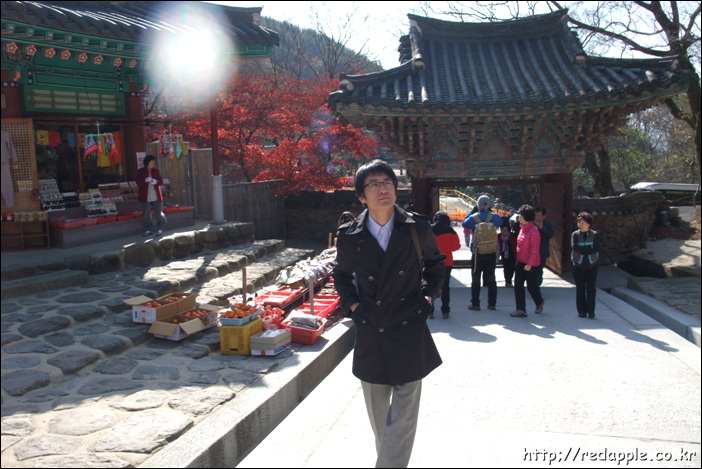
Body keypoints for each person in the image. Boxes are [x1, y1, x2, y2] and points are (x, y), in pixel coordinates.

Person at [333, 159, 445, 468]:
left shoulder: (416, 227)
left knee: (403, 420)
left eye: (387, 183)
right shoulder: (350, 235)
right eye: (374, 184)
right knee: (381, 422)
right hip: (371, 329)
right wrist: (355, 308)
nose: (382, 189)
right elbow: (341, 276)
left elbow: (436, 266)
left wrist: (427, 299)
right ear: (361, 196)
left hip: (409, 326)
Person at [462, 194, 502, 311]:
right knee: (491, 277)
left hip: (477, 252)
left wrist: (473, 211)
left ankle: (475, 304)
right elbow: (500, 222)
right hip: (491, 251)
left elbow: (464, 223)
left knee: (476, 277)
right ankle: (492, 304)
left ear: (478, 205)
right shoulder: (495, 217)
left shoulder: (474, 217)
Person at [510, 205, 544, 317]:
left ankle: (539, 302)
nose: (519, 217)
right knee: (518, 285)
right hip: (520, 262)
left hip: (531, 264)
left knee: (531, 287)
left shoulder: (534, 231)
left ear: (525, 217)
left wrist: (529, 264)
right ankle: (521, 309)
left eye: (520, 215)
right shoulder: (522, 228)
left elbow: (534, 250)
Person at [571, 212, 602, 319]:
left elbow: (596, 248)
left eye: (583, 223)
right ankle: (581, 311)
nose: (580, 225)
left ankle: (591, 311)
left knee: (591, 289)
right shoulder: (575, 235)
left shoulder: (594, 235)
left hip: (591, 266)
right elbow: (575, 247)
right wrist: (588, 249)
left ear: (589, 224)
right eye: (579, 223)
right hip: (578, 266)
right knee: (580, 289)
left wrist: (584, 250)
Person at [431, 210, 461, 319]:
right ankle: (445, 310)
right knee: (445, 286)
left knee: (431, 286)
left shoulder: (429, 229)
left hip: (432, 261)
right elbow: (456, 247)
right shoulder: (450, 230)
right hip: (447, 262)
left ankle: (430, 310)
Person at [136, 154, 166, 236]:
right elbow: (138, 182)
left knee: (158, 212)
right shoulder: (141, 171)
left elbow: (161, 181)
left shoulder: (156, 171)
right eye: (151, 162)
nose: (153, 164)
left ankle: (160, 228)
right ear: (147, 163)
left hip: (155, 195)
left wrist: (156, 181)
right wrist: (145, 180)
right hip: (145, 196)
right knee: (146, 213)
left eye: (153, 162)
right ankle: (148, 229)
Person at [534, 206, 555, 288]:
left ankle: (537, 286)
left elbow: (550, 234)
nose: (536, 218)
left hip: (542, 252)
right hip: (532, 251)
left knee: (539, 270)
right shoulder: (531, 223)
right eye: (535, 215)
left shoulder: (548, 224)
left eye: (539, 216)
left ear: (544, 216)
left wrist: (541, 227)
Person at [498, 222, 517, 287]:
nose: (504, 232)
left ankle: (509, 279)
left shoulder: (512, 236)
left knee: (512, 268)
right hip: (504, 255)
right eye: (502, 230)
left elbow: (515, 246)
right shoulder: (499, 236)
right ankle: (507, 281)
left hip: (512, 254)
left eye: (505, 230)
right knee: (506, 268)